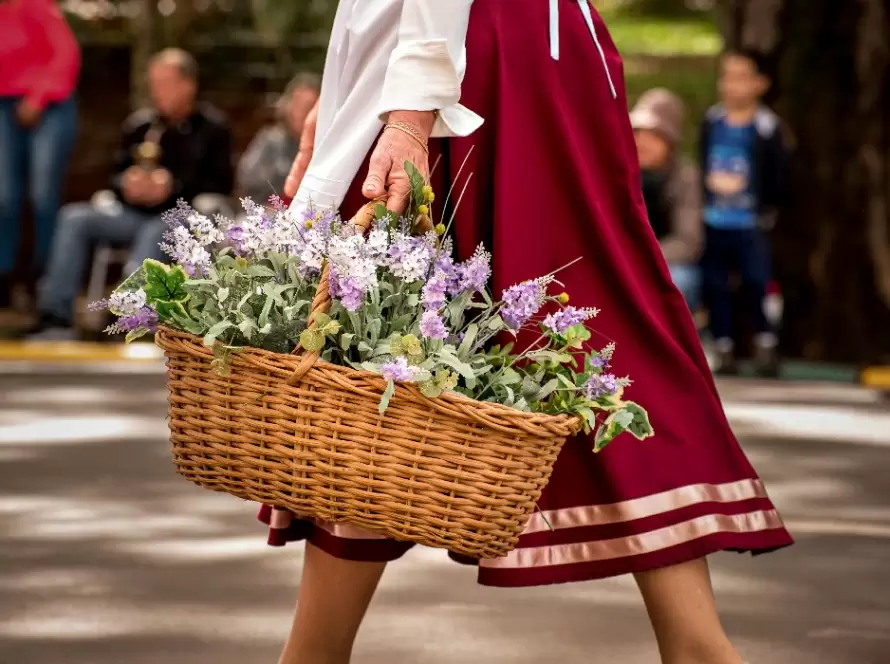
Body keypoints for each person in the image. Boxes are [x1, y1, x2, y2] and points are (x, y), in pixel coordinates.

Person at [270, 3, 792, 664]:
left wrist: (406, 102)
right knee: (581, 316)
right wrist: (349, 79)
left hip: (473, 45)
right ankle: (699, 647)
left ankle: (311, 653)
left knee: (378, 325)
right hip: (496, 43)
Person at [28, 48, 233, 340]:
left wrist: (172, 187)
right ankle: (55, 315)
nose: (157, 92)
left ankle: (127, 317)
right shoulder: (140, 126)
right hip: (132, 213)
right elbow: (114, 175)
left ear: (189, 85)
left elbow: (221, 184)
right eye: (154, 84)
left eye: (166, 84)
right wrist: (126, 184)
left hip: (180, 220)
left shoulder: (213, 129)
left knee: (155, 230)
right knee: (74, 217)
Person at [699, 49, 791, 376]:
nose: (730, 85)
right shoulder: (712, 120)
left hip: (750, 221)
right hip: (714, 218)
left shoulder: (767, 127)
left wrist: (766, 208)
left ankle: (766, 341)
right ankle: (722, 344)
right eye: (726, 76)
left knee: (757, 281)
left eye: (740, 77)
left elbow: (778, 174)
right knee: (716, 283)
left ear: (760, 84)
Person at [0, 0, 80, 309]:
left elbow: (66, 55)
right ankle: (5, 277)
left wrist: (38, 96)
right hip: (4, 106)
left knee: (43, 195)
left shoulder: (37, 7)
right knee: (4, 197)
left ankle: (44, 276)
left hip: (49, 104)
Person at [631, 88, 703, 310]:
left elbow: (688, 241)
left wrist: (644, 258)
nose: (642, 142)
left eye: (654, 135)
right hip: (624, 256)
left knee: (679, 282)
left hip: (667, 261)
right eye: (638, 133)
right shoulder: (619, 173)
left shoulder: (685, 177)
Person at [236, 73, 320, 205]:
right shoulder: (270, 139)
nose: (303, 112)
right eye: (298, 105)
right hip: (268, 209)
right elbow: (247, 178)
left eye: (309, 107)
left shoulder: (322, 146)